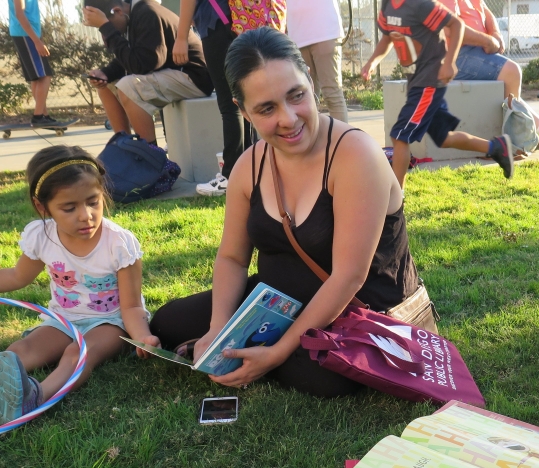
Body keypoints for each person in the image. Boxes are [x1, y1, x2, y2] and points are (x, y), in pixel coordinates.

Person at [148, 28, 427, 398]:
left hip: (360, 313)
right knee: (168, 322)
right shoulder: (249, 165)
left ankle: (267, 350)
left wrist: (276, 353)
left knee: (321, 376)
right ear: (242, 110)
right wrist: (217, 330)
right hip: (277, 304)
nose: (289, 118)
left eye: (296, 96)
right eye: (266, 108)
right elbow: (232, 257)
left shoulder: (355, 155)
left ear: (309, 82)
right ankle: (251, 341)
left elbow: (349, 277)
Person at [0, 145, 159, 427]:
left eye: (93, 202)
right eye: (69, 207)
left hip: (111, 322)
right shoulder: (42, 236)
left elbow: (132, 305)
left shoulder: (118, 243)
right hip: (64, 319)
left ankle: (35, 398)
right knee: (20, 350)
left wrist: (143, 336)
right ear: (42, 206)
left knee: (78, 352)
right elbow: (16, 277)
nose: (85, 215)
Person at [361, 0, 515, 187]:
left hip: (429, 82)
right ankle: (496, 147)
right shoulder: (387, 6)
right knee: (443, 138)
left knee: (400, 135)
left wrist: (449, 62)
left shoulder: (421, 5)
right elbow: (387, 39)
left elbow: (456, 24)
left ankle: (395, 198)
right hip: (416, 81)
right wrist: (371, 63)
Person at [445, 0, 539, 149]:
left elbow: (486, 11)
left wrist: (495, 33)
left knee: (510, 89)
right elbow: (449, 28)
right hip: (455, 55)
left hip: (475, 51)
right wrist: (488, 41)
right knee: (511, 72)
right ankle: (517, 143)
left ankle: (538, 134)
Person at [83, 0, 213, 146]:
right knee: (106, 86)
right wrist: (105, 73)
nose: (105, 35)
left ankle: (150, 156)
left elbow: (144, 64)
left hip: (194, 77)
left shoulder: (147, 13)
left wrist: (107, 29)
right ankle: (124, 147)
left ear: (118, 11)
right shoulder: (135, 14)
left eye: (106, 27)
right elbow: (132, 57)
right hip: (173, 74)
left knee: (129, 86)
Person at [172, 0, 247, 196]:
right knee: (248, 99)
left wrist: (181, 37)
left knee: (230, 103)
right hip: (244, 20)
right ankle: (253, 170)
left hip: (218, 24)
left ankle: (232, 175)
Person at [287, 0, 348, 124]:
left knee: (332, 93)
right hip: (297, 35)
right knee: (304, 97)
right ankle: (312, 141)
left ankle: (341, 141)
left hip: (325, 32)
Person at [8, 0, 55, 126]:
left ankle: (44, 116)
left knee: (36, 78)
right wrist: (37, 41)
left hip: (27, 35)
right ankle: (38, 116)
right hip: (26, 35)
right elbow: (20, 14)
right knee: (45, 76)